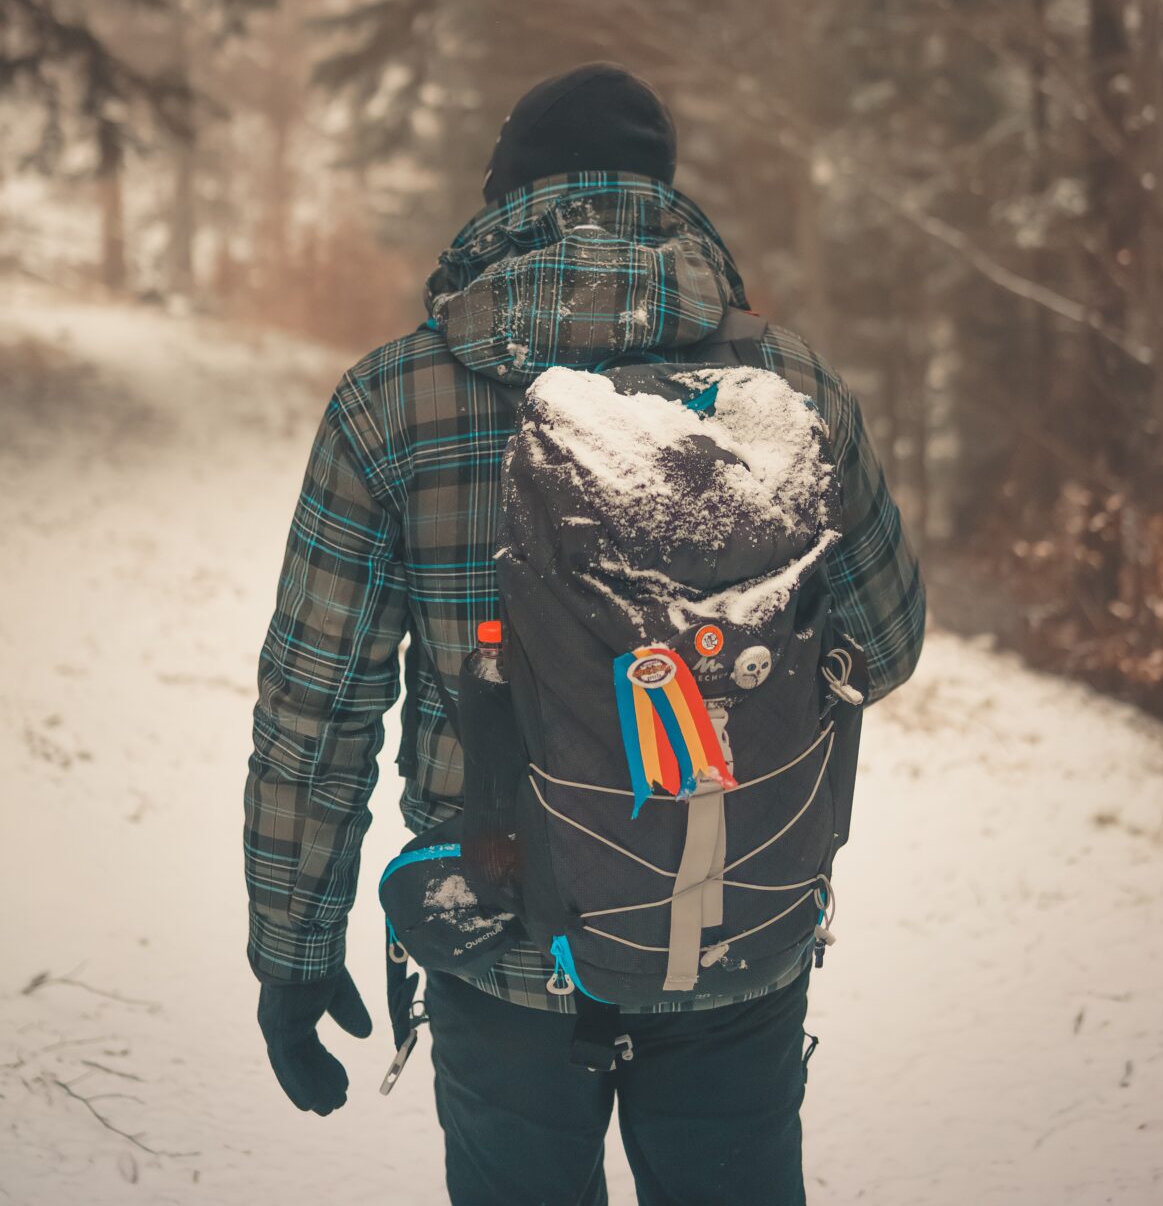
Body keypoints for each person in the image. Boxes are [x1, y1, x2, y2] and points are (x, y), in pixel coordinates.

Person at [245, 62, 925, 1206]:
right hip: (734, 927)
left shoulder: (396, 399)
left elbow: (318, 708)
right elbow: (889, 640)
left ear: (502, 193)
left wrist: (293, 948)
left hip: (499, 934)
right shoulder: (787, 380)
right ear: (664, 194)